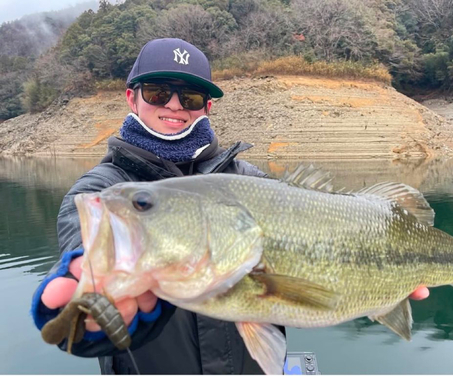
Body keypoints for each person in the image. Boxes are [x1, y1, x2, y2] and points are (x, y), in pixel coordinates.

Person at [31, 37, 429, 375]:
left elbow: (324, 251)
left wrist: (376, 284)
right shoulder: (104, 191)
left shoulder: (251, 180)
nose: (173, 105)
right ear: (132, 98)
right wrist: (91, 314)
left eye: (189, 96)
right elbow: (81, 267)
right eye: (157, 92)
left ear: (207, 107)